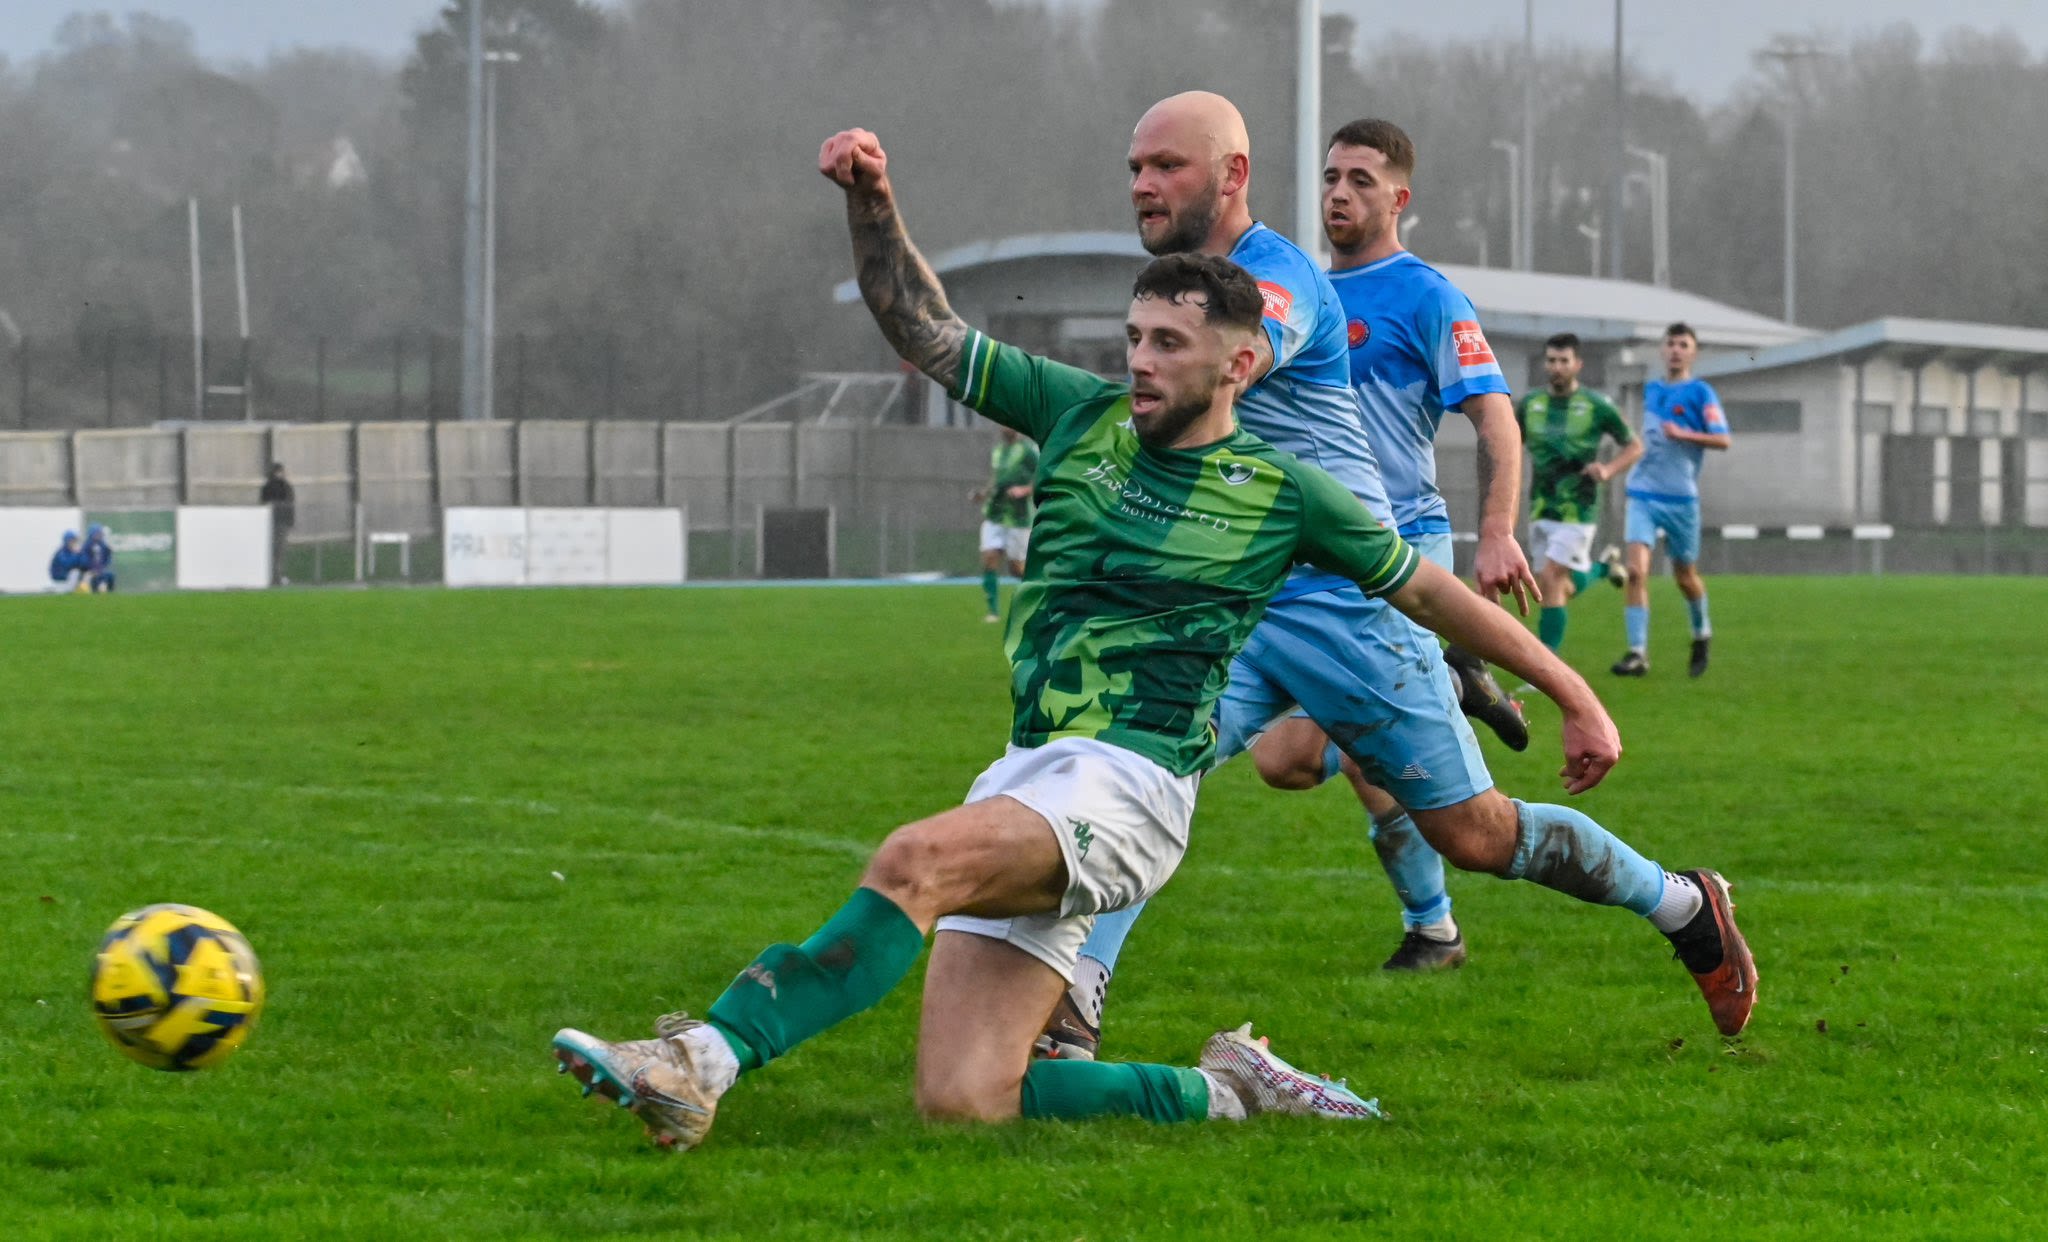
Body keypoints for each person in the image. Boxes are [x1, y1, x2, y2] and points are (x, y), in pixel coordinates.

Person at [550, 129, 1645, 1152]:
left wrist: (1569, 692)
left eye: (1169, 344)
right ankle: (1231, 1090)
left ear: (1240, 366)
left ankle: (698, 1058)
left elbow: (1437, 600)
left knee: (911, 861)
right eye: (1133, 339)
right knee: (965, 1100)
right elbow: (925, 331)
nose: (1141, 363)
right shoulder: (1078, 416)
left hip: (1130, 789)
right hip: (1035, 769)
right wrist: (872, 206)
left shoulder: (1282, 493)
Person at [1049, 97, 1753, 1060]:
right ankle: (1074, 1007)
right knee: (1159, 767)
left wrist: (1497, 531)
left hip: (1377, 576)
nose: (1142, 184)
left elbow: (1470, 412)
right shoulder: (1200, 291)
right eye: (1331, 178)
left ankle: (1681, 905)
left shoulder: (1342, 291)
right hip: (1256, 600)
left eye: (1164, 165)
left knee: (1475, 833)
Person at [1612, 323, 1731, 678]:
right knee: (1636, 572)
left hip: (1681, 500)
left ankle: (1701, 634)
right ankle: (1637, 653)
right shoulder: (1652, 390)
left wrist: (1684, 433)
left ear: (1693, 352)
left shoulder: (1701, 393)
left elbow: (1723, 440)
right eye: (1671, 344)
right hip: (1643, 494)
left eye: (1684, 344)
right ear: (1662, 351)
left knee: (1684, 576)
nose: (1676, 349)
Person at [1517, 333, 1643, 652]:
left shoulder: (1596, 406)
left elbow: (1634, 445)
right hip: (1540, 505)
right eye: (1551, 361)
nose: (1557, 367)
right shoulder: (1530, 404)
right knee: (1551, 585)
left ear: (1578, 365)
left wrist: (1608, 470)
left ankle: (1545, 668)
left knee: (1553, 575)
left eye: (1564, 361)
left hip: (1579, 507)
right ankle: (1603, 569)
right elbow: (1509, 447)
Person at [972, 425, 1036, 621]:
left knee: (1017, 568)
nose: (1004, 426)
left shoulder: (1028, 450)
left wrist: (1025, 490)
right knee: (989, 558)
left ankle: (1039, 596)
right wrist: (983, 494)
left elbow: (1044, 473)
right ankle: (993, 612)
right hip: (995, 513)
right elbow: (996, 478)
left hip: (1018, 516)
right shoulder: (998, 450)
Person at [260, 462, 295, 586]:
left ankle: (275, 576)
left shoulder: (267, 486)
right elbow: (289, 503)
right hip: (279, 522)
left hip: (275, 522)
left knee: (275, 552)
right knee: (278, 551)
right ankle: (276, 577)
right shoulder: (283, 486)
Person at [82, 523, 115, 592]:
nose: (99, 535)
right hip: (90, 570)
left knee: (110, 576)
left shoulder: (103, 545)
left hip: (101, 569)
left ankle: (109, 594)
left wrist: (104, 566)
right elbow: (84, 559)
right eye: (97, 533)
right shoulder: (87, 545)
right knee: (92, 579)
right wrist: (92, 568)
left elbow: (107, 558)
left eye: (99, 533)